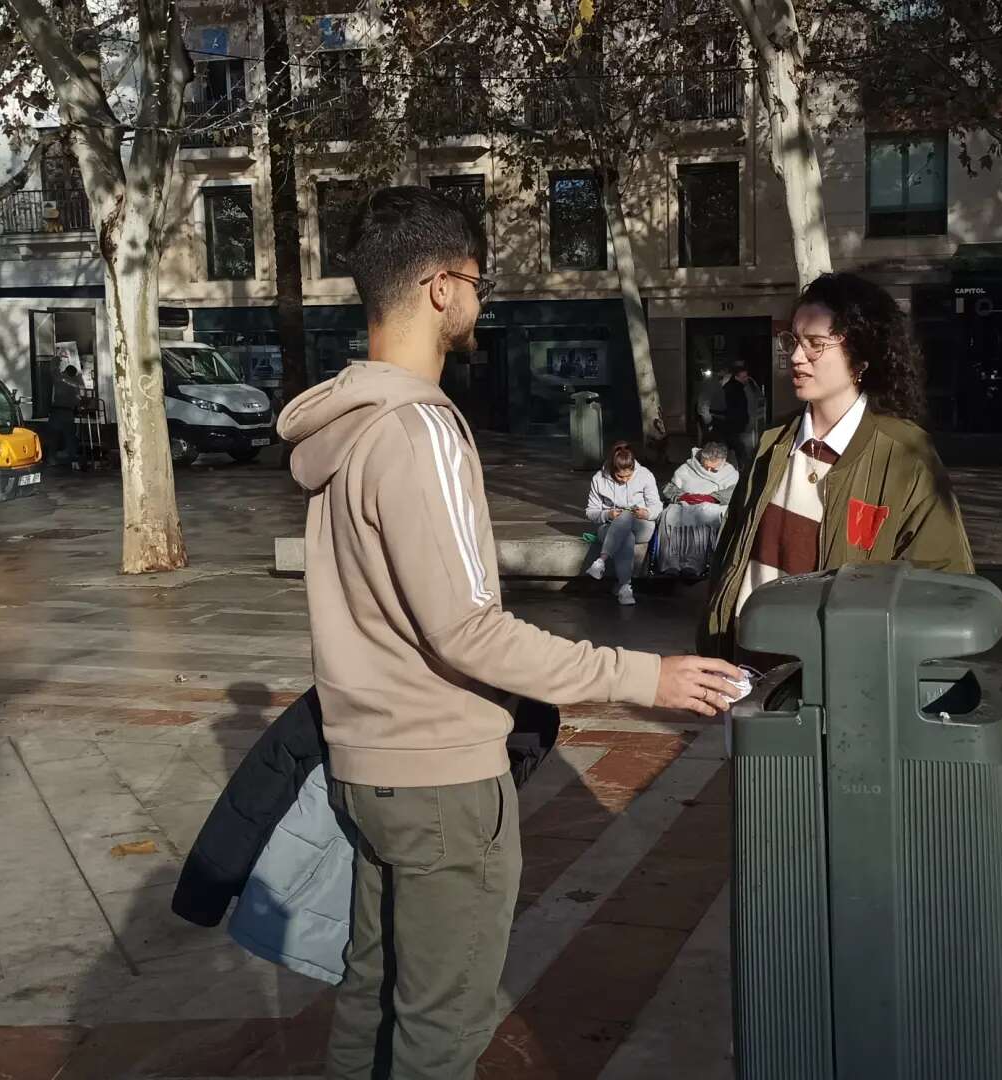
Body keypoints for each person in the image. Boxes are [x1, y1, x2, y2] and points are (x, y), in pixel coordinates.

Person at [274, 185, 742, 1080]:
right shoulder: (419, 429)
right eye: (479, 282)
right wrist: (645, 679)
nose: (482, 302)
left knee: (371, 1000)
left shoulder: (343, 430)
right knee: (440, 1033)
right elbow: (467, 631)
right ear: (443, 287)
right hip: (443, 781)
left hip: (366, 769)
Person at [701, 272, 975, 660]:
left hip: (844, 685)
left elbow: (946, 586)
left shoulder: (905, 454)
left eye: (815, 344)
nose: (796, 356)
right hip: (748, 673)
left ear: (861, 357)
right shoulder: (772, 444)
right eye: (794, 341)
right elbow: (730, 561)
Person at [583, 441, 663, 606]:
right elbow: (591, 512)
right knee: (626, 538)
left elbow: (657, 506)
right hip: (610, 527)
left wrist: (646, 512)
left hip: (642, 525)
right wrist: (607, 514)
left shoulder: (645, 475)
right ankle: (625, 587)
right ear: (612, 470)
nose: (625, 480)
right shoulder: (599, 479)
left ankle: (601, 561)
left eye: (629, 476)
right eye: (620, 476)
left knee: (627, 516)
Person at [657, 441, 737, 577]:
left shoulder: (730, 473)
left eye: (714, 469)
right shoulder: (687, 468)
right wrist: (683, 496)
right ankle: (671, 563)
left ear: (723, 462)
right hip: (684, 502)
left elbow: (733, 493)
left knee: (705, 513)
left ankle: (693, 564)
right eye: (706, 467)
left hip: (713, 504)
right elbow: (669, 488)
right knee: (669, 514)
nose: (708, 471)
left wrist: (710, 498)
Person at [718, 363, 761, 468]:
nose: (746, 378)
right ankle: (743, 468)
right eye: (744, 377)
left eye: (746, 376)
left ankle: (738, 467)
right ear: (737, 376)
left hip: (732, 423)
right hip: (736, 424)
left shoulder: (731, 386)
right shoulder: (738, 388)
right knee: (740, 448)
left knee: (735, 448)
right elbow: (739, 408)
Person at [50, 364, 84, 468]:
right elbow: (78, 402)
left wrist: (56, 361)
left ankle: (51, 459)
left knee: (53, 437)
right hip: (68, 413)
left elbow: (53, 371)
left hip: (56, 412)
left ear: (65, 371)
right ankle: (73, 460)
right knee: (70, 437)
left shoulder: (58, 380)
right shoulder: (75, 385)